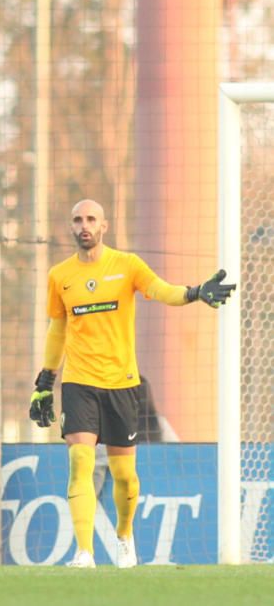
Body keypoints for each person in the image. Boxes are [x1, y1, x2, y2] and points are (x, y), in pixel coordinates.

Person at [29, 199, 235, 569]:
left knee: (125, 475)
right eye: (77, 220)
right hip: (78, 383)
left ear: (104, 225)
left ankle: (125, 537)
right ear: (71, 226)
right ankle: (84, 552)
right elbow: (57, 328)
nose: (84, 225)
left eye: (91, 219)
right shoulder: (60, 275)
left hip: (122, 383)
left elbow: (160, 290)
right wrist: (46, 380)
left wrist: (193, 292)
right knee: (80, 462)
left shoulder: (127, 265)